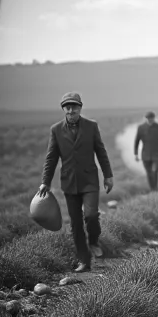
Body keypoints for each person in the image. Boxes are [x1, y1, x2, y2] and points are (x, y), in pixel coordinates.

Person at [39, 92, 113, 273]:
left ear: (80, 107)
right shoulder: (56, 130)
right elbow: (51, 158)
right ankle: (84, 261)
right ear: (63, 109)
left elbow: (101, 152)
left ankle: (94, 240)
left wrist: (108, 175)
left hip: (89, 180)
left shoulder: (91, 126)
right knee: (76, 224)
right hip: (69, 182)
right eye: (67, 107)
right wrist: (45, 182)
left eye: (74, 106)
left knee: (91, 215)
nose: (71, 110)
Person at [133, 111, 158, 191]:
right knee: (149, 173)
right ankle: (152, 189)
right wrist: (136, 154)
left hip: (157, 154)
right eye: (148, 118)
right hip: (145, 154)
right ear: (146, 118)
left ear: (154, 118)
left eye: (152, 118)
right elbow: (137, 141)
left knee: (155, 171)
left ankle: (155, 188)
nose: (150, 120)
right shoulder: (141, 128)